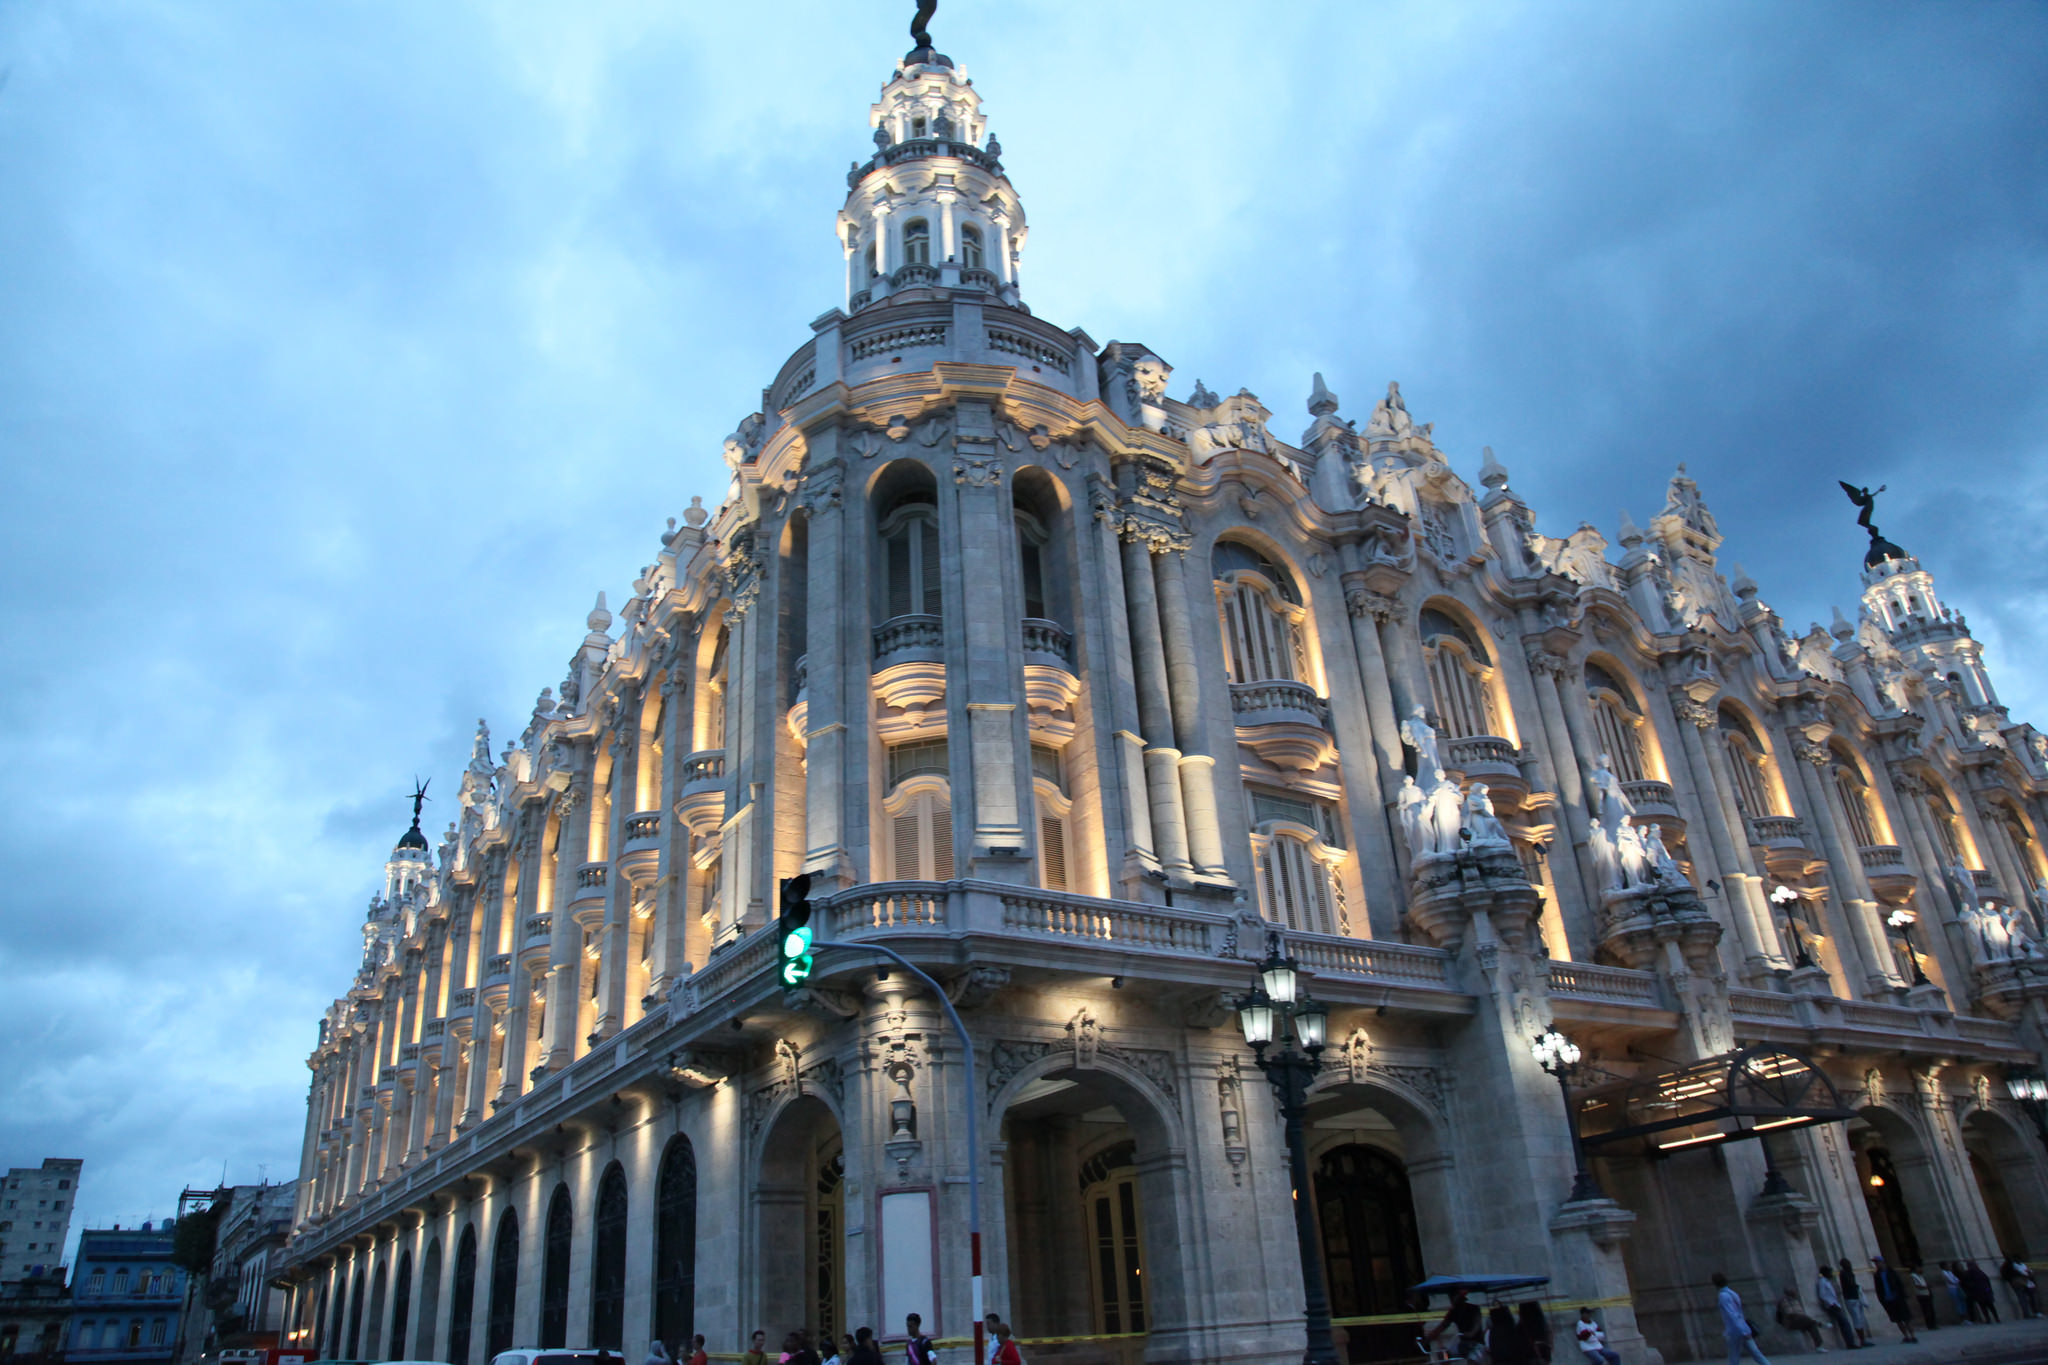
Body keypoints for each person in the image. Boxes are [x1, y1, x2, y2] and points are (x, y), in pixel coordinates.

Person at [1715, 1273, 1770, 1365]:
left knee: (1734, 1357)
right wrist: (1745, 1330)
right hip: (1743, 1327)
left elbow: (1732, 1314)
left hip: (1735, 1330)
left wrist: (1742, 1331)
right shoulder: (1733, 1293)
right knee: (1756, 1353)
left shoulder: (1723, 1296)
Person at [1424, 1289, 1483, 1361]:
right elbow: (1442, 1326)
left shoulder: (1474, 1309)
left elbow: (1477, 1324)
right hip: (1462, 1343)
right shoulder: (1454, 1311)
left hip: (1476, 1343)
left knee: (1472, 1358)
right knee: (1443, 1354)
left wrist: (1471, 1333)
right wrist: (1427, 1340)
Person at [1869, 1256, 1918, 1343]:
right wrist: (1882, 1299)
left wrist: (1902, 1295)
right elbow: (1878, 1288)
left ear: (1882, 1262)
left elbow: (1899, 1284)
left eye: (1877, 1262)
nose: (1876, 1264)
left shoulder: (1892, 1272)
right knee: (1897, 1319)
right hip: (1888, 1300)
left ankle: (1912, 1335)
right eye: (1875, 1263)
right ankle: (1906, 1336)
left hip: (1898, 1298)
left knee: (1906, 1318)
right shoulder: (1877, 1275)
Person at [1773, 1286, 1826, 1352]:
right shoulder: (1782, 1302)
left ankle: (1819, 1346)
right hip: (1791, 1321)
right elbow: (1778, 1315)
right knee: (1807, 1320)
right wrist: (1784, 1323)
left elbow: (1801, 1312)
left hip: (1801, 1320)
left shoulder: (1796, 1301)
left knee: (1812, 1325)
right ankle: (1819, 1324)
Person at [1815, 1266, 1856, 1350]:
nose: (1831, 1274)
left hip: (1835, 1304)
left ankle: (1850, 1342)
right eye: (1830, 1272)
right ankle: (1850, 1343)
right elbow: (1822, 1295)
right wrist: (1832, 1304)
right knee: (1845, 1323)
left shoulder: (1827, 1281)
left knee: (1844, 1323)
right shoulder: (1822, 1282)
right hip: (1832, 1306)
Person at [1837, 1259, 1869, 1345]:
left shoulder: (1849, 1273)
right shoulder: (1844, 1274)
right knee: (1857, 1319)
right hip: (1851, 1298)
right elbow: (1850, 1284)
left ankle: (1863, 1339)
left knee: (1860, 1318)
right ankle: (1862, 1339)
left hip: (1855, 1297)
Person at [1908, 1267, 1937, 1333]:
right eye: (1918, 1268)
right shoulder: (1913, 1276)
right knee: (1926, 1310)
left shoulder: (1921, 1276)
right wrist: (1927, 1287)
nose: (1920, 1269)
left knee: (1930, 1309)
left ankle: (1933, 1324)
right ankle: (1930, 1325)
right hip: (1921, 1295)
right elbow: (1918, 1286)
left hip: (1926, 1294)